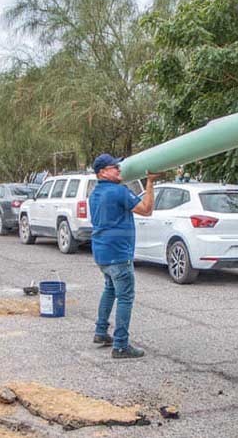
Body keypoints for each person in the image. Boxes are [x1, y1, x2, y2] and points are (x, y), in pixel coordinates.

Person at [88, 153, 160, 359]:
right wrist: (150, 183)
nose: (120, 169)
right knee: (125, 297)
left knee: (110, 289)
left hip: (101, 252)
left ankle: (101, 332)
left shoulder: (94, 193)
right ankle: (120, 345)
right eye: (114, 167)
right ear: (102, 172)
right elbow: (146, 210)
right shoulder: (119, 192)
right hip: (119, 253)